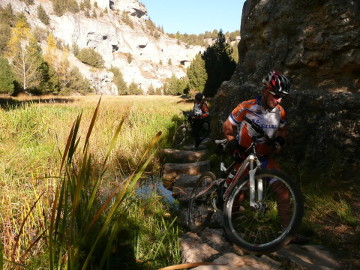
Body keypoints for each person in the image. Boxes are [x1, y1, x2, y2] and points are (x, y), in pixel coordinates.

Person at [223, 70, 309, 245]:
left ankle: (288, 233)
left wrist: (280, 140)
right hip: (245, 156)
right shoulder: (247, 106)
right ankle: (230, 228)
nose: (279, 100)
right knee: (238, 194)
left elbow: (283, 129)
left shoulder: (280, 112)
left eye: (282, 97)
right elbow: (228, 125)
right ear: (265, 91)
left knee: (283, 190)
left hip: (264, 157)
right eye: (276, 95)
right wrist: (232, 143)